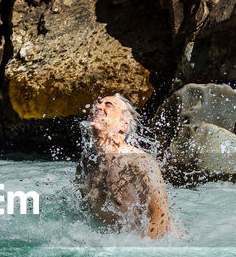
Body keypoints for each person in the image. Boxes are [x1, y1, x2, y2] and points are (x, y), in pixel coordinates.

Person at [76, 94, 177, 239]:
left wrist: (136, 253)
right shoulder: (86, 164)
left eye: (108, 105)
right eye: (98, 103)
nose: (98, 107)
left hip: (160, 245)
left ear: (124, 125)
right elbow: (84, 214)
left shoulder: (140, 161)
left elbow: (161, 216)